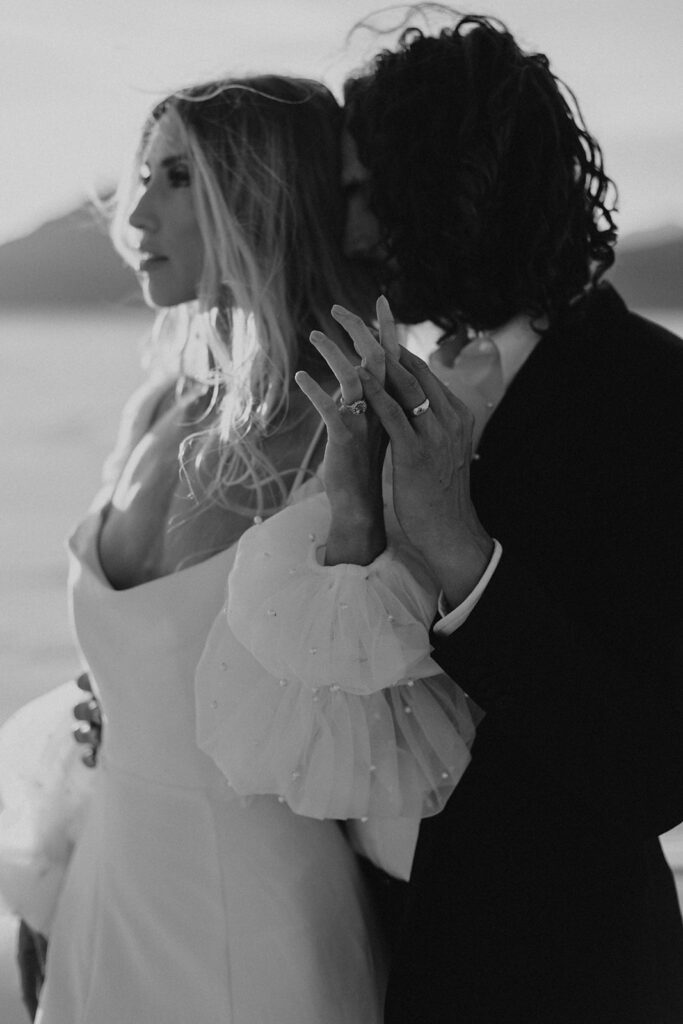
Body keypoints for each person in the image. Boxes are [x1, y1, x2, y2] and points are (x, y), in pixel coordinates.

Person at [0, 73, 477, 1022]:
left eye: (177, 175)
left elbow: (385, 716)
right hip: (110, 880)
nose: (133, 207)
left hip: (255, 918)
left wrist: (351, 524)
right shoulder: (157, 408)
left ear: (260, 192)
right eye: (142, 171)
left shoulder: (346, 432)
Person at [323, 12, 683, 1023]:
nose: (350, 233)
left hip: (560, 975)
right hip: (395, 949)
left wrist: (463, 559)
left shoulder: (651, 395)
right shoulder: (421, 382)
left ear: (440, 186)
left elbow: (654, 767)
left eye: (364, 193)